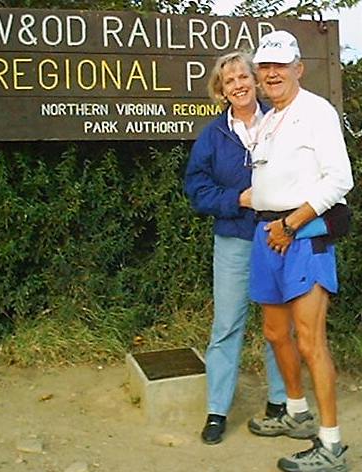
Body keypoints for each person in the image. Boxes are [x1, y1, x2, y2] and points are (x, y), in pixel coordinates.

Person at [246, 31, 354, 471]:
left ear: (298, 68)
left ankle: (331, 446)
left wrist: (290, 224)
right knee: (275, 334)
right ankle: (297, 414)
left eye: (280, 66)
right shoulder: (270, 117)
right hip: (267, 234)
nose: (271, 74)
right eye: (265, 67)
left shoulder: (317, 112)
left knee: (310, 341)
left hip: (302, 235)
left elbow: (339, 180)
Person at [184, 51, 288, 445]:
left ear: (255, 81)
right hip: (233, 240)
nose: (239, 84)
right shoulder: (213, 136)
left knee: (279, 324)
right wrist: (237, 200)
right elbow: (196, 190)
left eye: (244, 76)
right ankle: (217, 411)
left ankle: (281, 403)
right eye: (230, 81)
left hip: (280, 236)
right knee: (226, 325)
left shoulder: (281, 121)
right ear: (221, 90)